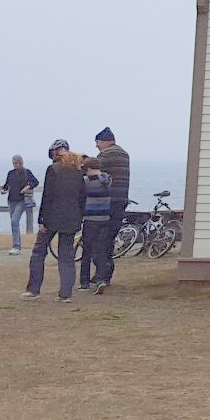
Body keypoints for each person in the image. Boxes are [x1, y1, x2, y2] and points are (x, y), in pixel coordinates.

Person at [22, 140, 84, 303]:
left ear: (54, 154)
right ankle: (65, 293)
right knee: (67, 256)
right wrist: (79, 218)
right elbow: (82, 197)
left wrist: (42, 219)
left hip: (52, 217)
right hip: (71, 218)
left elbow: (48, 196)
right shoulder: (78, 171)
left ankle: (33, 289)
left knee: (39, 252)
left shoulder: (53, 170)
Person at [92, 127, 130, 281]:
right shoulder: (124, 154)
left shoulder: (106, 155)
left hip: (107, 203)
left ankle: (102, 275)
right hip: (121, 201)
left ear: (104, 141)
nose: (96, 146)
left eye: (98, 143)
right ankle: (106, 273)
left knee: (100, 239)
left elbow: (92, 169)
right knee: (109, 239)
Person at [77, 155, 114, 293]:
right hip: (105, 218)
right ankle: (101, 279)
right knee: (102, 250)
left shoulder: (86, 181)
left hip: (90, 219)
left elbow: (80, 198)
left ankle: (84, 282)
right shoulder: (107, 179)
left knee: (87, 251)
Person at [2, 155, 38, 253]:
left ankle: (16, 246)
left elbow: (35, 182)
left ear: (21, 162)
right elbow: (6, 185)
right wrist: (3, 190)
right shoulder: (10, 173)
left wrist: (27, 187)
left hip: (21, 200)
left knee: (14, 221)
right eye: (13, 163)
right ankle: (16, 244)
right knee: (14, 223)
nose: (15, 165)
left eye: (16, 163)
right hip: (11, 200)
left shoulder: (27, 172)